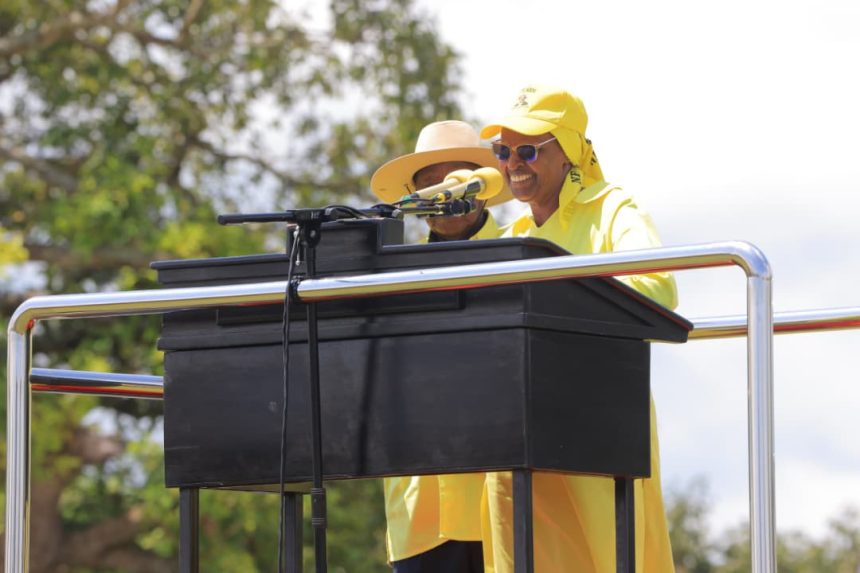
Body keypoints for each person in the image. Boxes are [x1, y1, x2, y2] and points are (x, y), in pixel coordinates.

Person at [477, 85, 678, 572]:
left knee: (610, 557)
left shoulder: (612, 209)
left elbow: (658, 288)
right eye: (503, 151)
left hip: (596, 423)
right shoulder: (514, 236)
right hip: (518, 431)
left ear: (567, 151)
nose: (513, 163)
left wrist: (560, 298)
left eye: (527, 150)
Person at [370, 120, 511, 571]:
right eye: (429, 186)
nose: (442, 195)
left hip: (505, 502)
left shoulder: (523, 257)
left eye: (455, 181)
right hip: (421, 511)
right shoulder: (388, 276)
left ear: (483, 187)